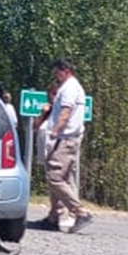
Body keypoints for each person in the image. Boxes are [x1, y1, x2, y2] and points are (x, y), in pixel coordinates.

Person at [39, 58, 93, 234]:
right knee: (59, 177)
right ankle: (53, 216)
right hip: (68, 137)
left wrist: (55, 131)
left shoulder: (69, 88)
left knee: (55, 177)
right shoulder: (72, 86)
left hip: (65, 137)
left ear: (65, 70)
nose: (55, 76)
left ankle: (80, 212)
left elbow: (65, 111)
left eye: (56, 72)